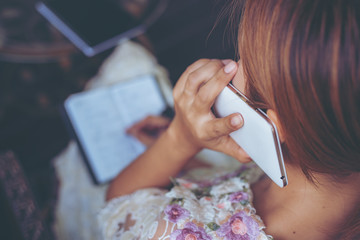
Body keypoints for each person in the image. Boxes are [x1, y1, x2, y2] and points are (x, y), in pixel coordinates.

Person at [99, 0, 360, 239]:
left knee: (124, 65)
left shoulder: (181, 231)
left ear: (279, 127)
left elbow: (117, 207)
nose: (234, 62)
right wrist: (190, 163)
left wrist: (179, 140)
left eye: (246, 57)